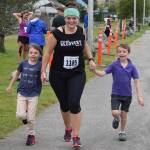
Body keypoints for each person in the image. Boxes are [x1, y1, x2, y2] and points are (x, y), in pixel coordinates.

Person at [41, 2, 96, 148]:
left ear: (78, 19)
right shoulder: (56, 34)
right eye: (69, 18)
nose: (71, 21)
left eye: (74, 19)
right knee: (64, 105)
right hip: (58, 74)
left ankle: (76, 136)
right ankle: (68, 128)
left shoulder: (80, 30)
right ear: (64, 19)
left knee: (74, 103)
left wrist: (90, 59)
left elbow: (84, 45)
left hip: (77, 73)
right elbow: (47, 52)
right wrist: (43, 71)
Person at [93, 44, 144, 141]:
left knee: (124, 115)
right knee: (115, 112)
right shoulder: (114, 65)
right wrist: (95, 70)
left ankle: (122, 131)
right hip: (116, 93)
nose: (122, 53)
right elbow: (103, 73)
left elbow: (137, 82)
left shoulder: (132, 67)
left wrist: (139, 96)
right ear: (117, 53)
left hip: (127, 95)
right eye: (119, 51)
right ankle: (117, 117)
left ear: (128, 53)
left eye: (124, 52)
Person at [6, 44, 42, 146]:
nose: (33, 55)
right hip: (22, 92)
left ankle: (31, 135)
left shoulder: (40, 65)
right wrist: (10, 86)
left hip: (34, 93)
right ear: (28, 54)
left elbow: (43, 76)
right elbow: (16, 74)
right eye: (31, 52)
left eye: (36, 53)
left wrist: (43, 77)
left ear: (39, 54)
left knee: (31, 118)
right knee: (20, 115)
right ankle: (25, 117)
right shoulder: (23, 63)